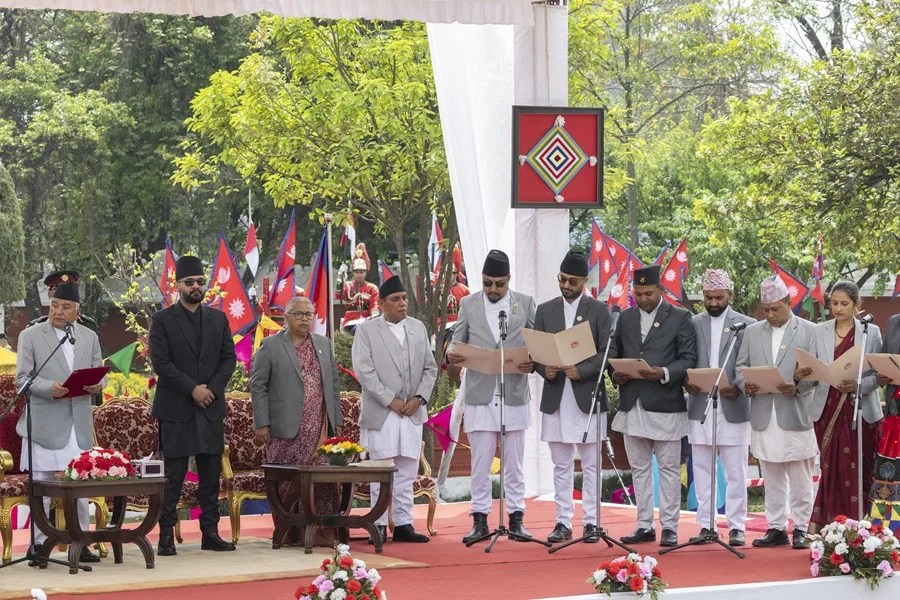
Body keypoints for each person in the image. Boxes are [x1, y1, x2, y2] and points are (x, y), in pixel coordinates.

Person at [149, 255, 236, 556]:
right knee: (172, 477)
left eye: (200, 282)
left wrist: (210, 390)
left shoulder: (218, 318)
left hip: (210, 406)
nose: (196, 287)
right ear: (178, 286)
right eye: (190, 282)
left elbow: (229, 359)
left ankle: (210, 533)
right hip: (177, 407)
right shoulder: (162, 320)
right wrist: (192, 389)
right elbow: (161, 362)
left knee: (210, 475)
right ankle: (165, 537)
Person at [447, 249, 536, 544]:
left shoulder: (524, 303)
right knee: (481, 462)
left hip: (513, 391)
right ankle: (480, 520)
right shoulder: (468, 304)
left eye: (499, 284)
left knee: (514, 462)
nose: (493, 290)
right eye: (487, 284)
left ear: (509, 279)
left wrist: (532, 361)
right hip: (480, 393)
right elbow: (457, 341)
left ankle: (517, 518)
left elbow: (537, 344)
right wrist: (454, 354)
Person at [15, 281, 104, 564]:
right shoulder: (30, 336)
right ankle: (40, 545)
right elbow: (23, 379)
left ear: (77, 311)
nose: (59, 311)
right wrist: (47, 387)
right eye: (55, 305)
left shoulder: (89, 336)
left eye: (66, 307)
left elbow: (99, 374)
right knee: (41, 489)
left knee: (79, 489)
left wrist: (96, 385)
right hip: (44, 425)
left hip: (77, 425)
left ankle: (81, 541)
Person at [610, 265, 697, 548]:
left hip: (665, 404)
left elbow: (688, 359)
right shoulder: (624, 318)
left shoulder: (681, 317)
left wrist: (664, 373)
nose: (643, 298)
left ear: (661, 289)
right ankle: (644, 525)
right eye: (638, 293)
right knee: (639, 469)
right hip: (632, 402)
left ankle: (670, 528)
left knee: (670, 468)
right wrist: (616, 374)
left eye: (648, 293)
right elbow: (614, 354)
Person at [352, 275, 437, 543]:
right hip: (384, 412)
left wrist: (419, 398)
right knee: (381, 467)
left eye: (404, 298)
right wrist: (392, 400)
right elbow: (365, 372)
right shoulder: (367, 331)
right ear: (382, 304)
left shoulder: (417, 328)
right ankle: (376, 523)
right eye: (396, 299)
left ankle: (403, 524)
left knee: (407, 469)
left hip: (412, 411)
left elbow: (430, 368)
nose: (403, 304)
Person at [533, 251, 611, 543]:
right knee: (561, 465)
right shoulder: (545, 309)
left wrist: (583, 370)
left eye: (572, 281)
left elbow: (606, 353)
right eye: (562, 279)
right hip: (556, 395)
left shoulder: (599, 310)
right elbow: (536, 350)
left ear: (584, 281)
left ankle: (591, 522)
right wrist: (545, 369)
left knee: (591, 464)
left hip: (586, 395)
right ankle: (562, 522)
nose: (566, 285)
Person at [735, 275, 817, 550]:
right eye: (765, 310)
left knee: (799, 475)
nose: (769, 315)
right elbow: (740, 367)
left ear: (788, 302)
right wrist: (748, 384)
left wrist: (797, 383)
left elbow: (816, 374)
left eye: (775, 309)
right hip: (763, 412)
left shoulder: (808, 330)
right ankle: (776, 527)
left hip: (793, 412)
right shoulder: (752, 331)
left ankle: (802, 528)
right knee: (771, 474)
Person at [250, 296, 341, 542]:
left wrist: (337, 422)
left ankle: (320, 532)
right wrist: (262, 423)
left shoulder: (323, 344)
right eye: (299, 314)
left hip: (319, 426)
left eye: (309, 314)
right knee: (286, 482)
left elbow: (332, 385)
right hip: (284, 428)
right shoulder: (271, 346)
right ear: (287, 317)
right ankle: (288, 531)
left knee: (321, 480)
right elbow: (258, 386)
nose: (304, 319)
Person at [684, 269, 755, 547]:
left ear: (730, 295)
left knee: (736, 470)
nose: (713, 303)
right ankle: (706, 524)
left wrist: (737, 385)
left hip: (733, 403)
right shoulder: (692, 323)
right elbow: (686, 358)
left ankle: (737, 526)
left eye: (718, 297)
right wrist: (687, 381)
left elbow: (748, 362)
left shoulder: (747, 324)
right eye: (708, 298)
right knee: (701, 468)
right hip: (701, 402)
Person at [810, 281, 883, 527]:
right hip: (827, 406)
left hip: (860, 408)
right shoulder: (818, 331)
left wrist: (859, 386)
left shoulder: (870, 332)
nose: (838, 309)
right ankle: (829, 527)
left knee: (861, 470)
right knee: (832, 470)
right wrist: (805, 374)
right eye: (834, 303)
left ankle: (863, 528)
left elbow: (879, 373)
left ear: (857, 305)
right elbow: (812, 369)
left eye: (844, 304)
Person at [872, 312, 899, 534]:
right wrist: (881, 376)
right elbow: (881, 360)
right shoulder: (894, 321)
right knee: (890, 472)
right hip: (895, 410)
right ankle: (889, 531)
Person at [341, 243, 380, 330]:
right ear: (353, 273)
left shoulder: (372, 288)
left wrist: (374, 314)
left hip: (368, 320)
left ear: (365, 272)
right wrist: (340, 277)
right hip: (350, 321)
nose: (359, 275)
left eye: (362, 272)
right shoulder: (347, 286)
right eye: (357, 272)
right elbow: (337, 295)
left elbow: (374, 304)